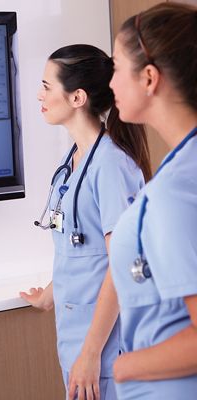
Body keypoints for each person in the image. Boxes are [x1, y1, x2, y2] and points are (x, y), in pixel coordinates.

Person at [20, 44, 151, 400]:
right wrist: (49, 295)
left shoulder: (110, 166)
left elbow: (124, 265)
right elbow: (79, 242)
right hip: (76, 340)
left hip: (105, 352)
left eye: (47, 86)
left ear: (77, 97)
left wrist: (91, 354)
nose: (39, 95)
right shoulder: (74, 158)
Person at [108, 2, 197, 399]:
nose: (109, 84)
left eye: (115, 67)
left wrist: (124, 365)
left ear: (148, 78)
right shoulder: (183, 166)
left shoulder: (175, 191)